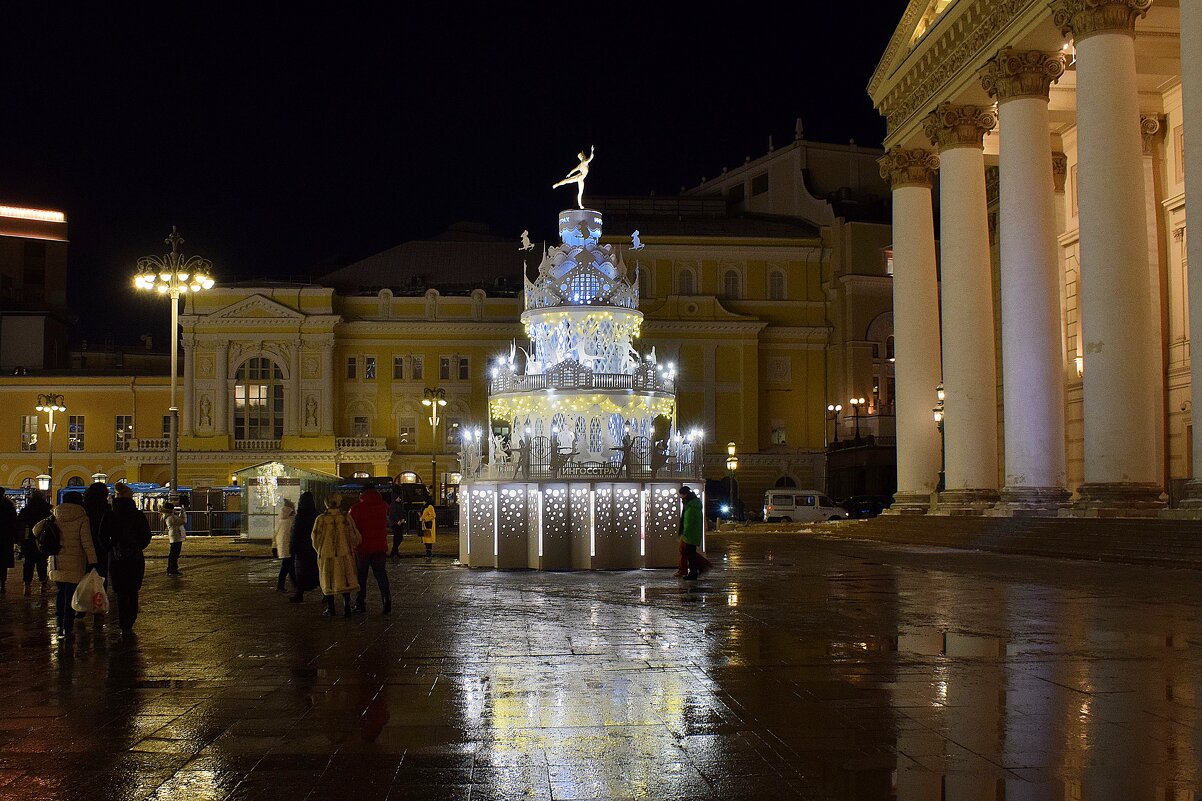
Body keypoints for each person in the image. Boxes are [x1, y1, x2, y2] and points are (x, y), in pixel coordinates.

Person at [39, 492, 96, 642]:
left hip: (56, 560)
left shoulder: (54, 515)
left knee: (60, 592)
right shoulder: (83, 518)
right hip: (75, 562)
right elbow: (87, 542)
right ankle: (68, 628)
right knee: (70, 595)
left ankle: (59, 625)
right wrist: (93, 561)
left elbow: (35, 530)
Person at [101, 483, 153, 633]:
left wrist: (111, 548)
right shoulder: (137, 515)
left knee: (121, 592)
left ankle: (124, 623)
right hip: (134, 558)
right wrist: (136, 547)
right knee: (133, 590)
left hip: (116, 559)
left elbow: (102, 536)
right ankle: (130, 621)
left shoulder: (110, 514)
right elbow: (146, 536)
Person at [311, 495, 360, 618]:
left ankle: (331, 608)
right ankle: (346, 607)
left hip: (327, 555)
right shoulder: (345, 518)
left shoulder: (321, 519)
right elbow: (355, 537)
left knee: (328, 579)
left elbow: (315, 538)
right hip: (344, 554)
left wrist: (321, 550)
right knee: (345, 579)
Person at [350, 486, 391, 615]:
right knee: (381, 574)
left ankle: (360, 603)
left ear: (362, 494)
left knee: (361, 576)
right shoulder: (383, 506)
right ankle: (387, 600)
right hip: (380, 546)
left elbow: (352, 527)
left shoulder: (356, 508)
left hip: (363, 548)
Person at [82, 482, 112, 625]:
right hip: (101, 548)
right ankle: (98, 609)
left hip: (84, 548)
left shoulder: (84, 509)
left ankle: (81, 606)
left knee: (84, 577)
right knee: (101, 579)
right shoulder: (106, 510)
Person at [17, 489, 52, 596]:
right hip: (42, 540)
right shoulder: (46, 511)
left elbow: (19, 525)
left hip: (28, 540)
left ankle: (27, 585)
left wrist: (19, 540)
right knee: (42, 562)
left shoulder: (25, 510)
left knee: (28, 563)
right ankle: (43, 585)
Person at [288, 492, 320, 603]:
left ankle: (299, 593)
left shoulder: (300, 516)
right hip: (314, 548)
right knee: (317, 571)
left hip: (302, 549)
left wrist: (292, 547)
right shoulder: (316, 516)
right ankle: (326, 594)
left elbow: (296, 533)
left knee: (301, 572)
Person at [677, 486, 709, 581]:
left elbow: (688, 521)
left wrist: (684, 533)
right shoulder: (694, 504)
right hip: (694, 533)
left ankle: (694, 572)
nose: (681, 497)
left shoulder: (690, 506)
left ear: (684, 494)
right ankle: (698, 569)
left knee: (690, 554)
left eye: (681, 495)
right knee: (690, 553)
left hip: (690, 534)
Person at [274, 499, 296, 592]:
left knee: (289, 567)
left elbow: (275, 534)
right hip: (289, 547)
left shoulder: (280, 520)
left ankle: (295, 585)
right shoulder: (292, 520)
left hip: (282, 547)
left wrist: (274, 546)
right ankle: (281, 585)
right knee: (287, 567)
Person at [0, 488, 17, 594]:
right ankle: (3, 583)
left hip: (5, 537)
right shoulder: (8, 505)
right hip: (5, 538)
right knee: (3, 563)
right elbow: (14, 522)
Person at [164, 506, 187, 576]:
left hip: (175, 536)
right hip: (176, 537)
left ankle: (172, 569)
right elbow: (183, 521)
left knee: (173, 554)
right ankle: (172, 569)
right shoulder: (172, 517)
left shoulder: (170, 517)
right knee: (174, 554)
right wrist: (183, 513)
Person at [387, 491, 407, 559]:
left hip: (398, 522)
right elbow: (393, 514)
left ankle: (394, 552)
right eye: (398, 498)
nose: (400, 499)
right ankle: (394, 552)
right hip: (395, 523)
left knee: (398, 538)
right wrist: (398, 520)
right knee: (398, 538)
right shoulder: (393, 505)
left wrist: (403, 518)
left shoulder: (397, 504)